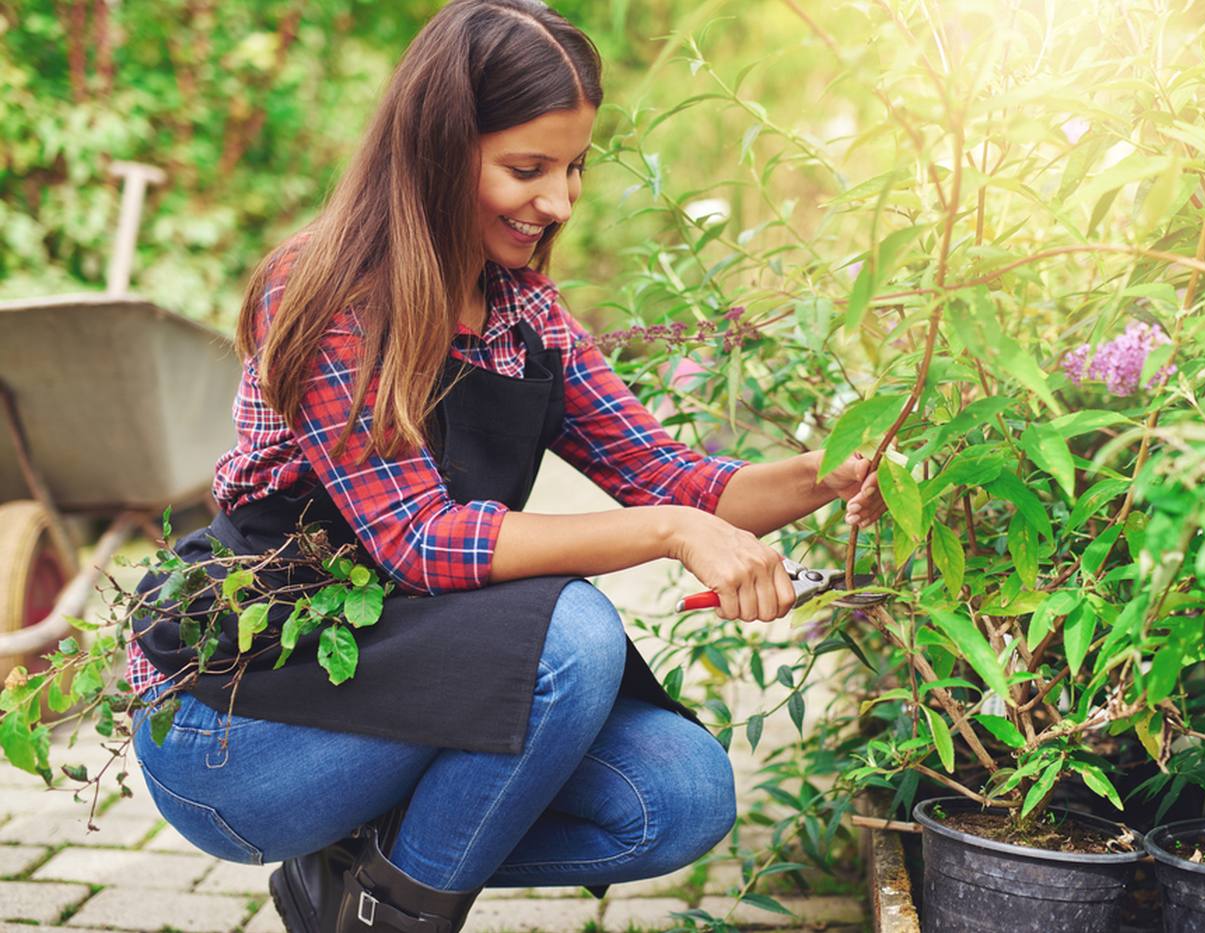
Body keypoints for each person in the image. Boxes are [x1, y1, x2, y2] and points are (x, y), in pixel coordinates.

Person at [127, 2, 884, 931]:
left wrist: (835, 467)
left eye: (572, 168)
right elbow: (419, 542)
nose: (560, 202)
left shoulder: (524, 314)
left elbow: (683, 483)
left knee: (679, 794)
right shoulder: (323, 291)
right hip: (242, 722)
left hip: (411, 675)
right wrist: (672, 535)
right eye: (527, 169)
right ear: (439, 151)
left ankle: (355, 885)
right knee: (569, 638)